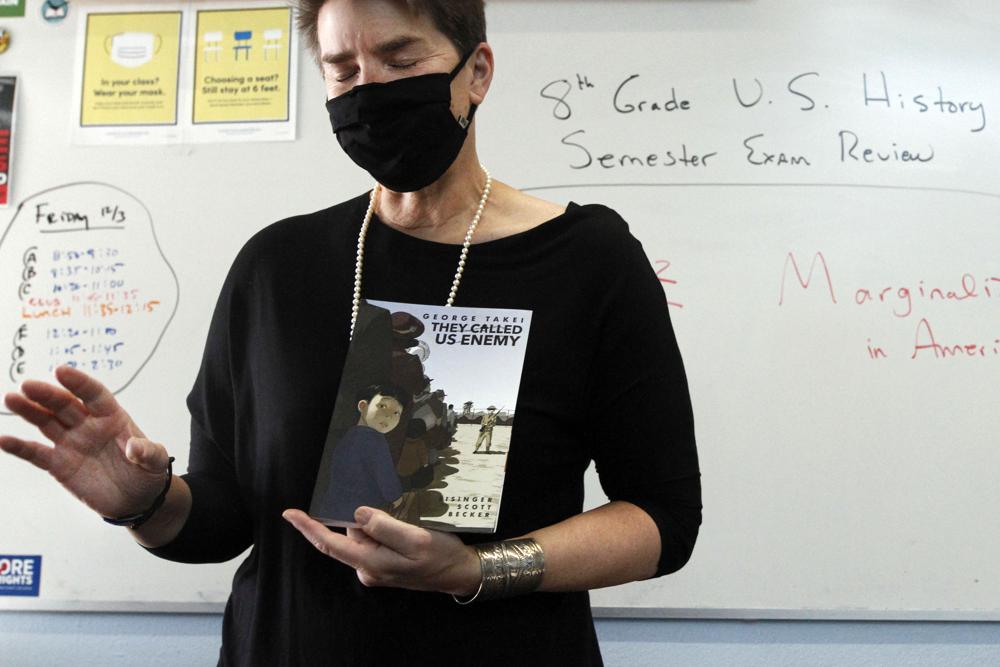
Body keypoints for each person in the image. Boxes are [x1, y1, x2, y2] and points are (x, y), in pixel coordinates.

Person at [0, 1, 701, 664]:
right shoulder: (276, 267)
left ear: (477, 72)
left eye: (399, 59)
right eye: (345, 70)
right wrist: (145, 502)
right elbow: (230, 516)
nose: (370, 91)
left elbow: (663, 519)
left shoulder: (588, 259)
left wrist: (475, 566)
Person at [310, 384, 408, 523]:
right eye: (383, 406)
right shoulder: (375, 441)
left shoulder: (350, 435)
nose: (388, 416)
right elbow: (386, 476)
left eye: (396, 413)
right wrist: (397, 498)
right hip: (358, 511)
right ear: (363, 406)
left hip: (332, 507)